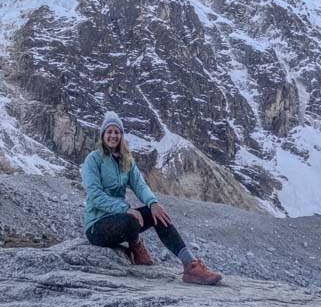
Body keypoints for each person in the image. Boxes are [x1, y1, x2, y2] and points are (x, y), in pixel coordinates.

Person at [81, 110, 223, 285]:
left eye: (117, 132)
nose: (113, 136)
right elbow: (95, 196)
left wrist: (153, 203)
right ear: (103, 135)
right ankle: (136, 245)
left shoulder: (126, 161)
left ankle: (190, 265)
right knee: (130, 220)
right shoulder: (93, 160)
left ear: (121, 135)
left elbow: (140, 186)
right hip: (97, 226)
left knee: (158, 214)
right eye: (109, 132)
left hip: (119, 217)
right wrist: (125, 209)